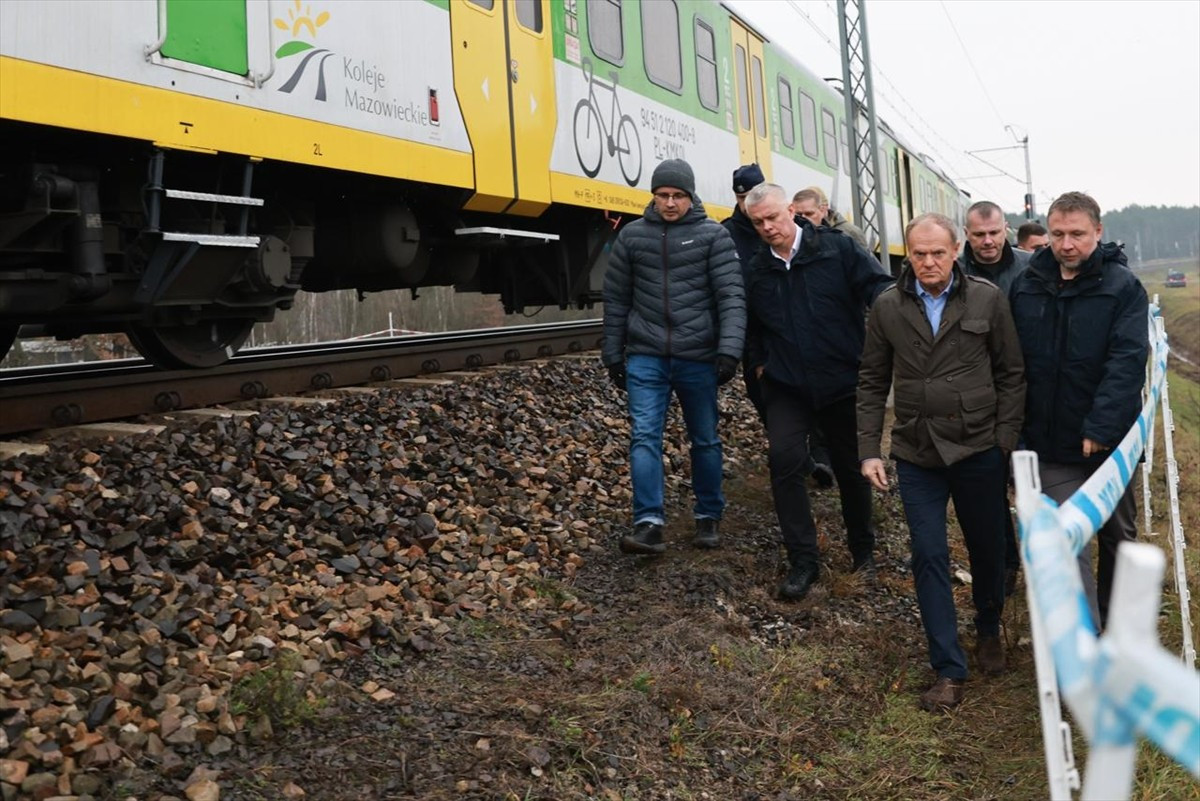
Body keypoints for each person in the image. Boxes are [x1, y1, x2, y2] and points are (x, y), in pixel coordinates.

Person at [858, 213, 1025, 712]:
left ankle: (989, 625)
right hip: (918, 451)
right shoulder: (887, 306)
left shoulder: (987, 299)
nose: (928, 263)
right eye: (918, 254)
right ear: (906, 254)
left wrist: (1003, 441)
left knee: (987, 546)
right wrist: (869, 448)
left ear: (957, 250)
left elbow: (1012, 373)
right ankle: (948, 669)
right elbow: (870, 381)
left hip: (977, 448)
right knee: (928, 553)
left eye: (937, 252)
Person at [742, 183, 892, 599]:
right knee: (784, 461)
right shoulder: (756, 268)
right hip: (787, 384)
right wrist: (759, 366)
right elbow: (752, 326)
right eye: (758, 223)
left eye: (773, 217)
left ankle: (864, 553)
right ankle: (803, 560)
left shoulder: (838, 249)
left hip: (842, 380)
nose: (768, 227)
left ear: (792, 210)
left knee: (851, 468)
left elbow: (878, 287)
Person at [1008, 191, 1149, 630]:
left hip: (1111, 444)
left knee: (1117, 537)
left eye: (1077, 234)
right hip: (1049, 441)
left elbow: (1126, 362)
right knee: (1069, 542)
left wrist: (1102, 427)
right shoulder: (1026, 284)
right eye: (1058, 234)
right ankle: (1085, 648)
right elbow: (1012, 363)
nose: (1067, 244)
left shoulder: (1123, 287)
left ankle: (1116, 630)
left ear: (1098, 232)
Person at [602, 158, 746, 555]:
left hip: (697, 356)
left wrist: (729, 351)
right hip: (646, 355)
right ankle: (648, 522)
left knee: (705, 439)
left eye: (678, 195)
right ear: (653, 196)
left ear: (690, 196)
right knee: (644, 436)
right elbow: (616, 298)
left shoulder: (713, 237)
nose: (669, 203)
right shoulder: (632, 237)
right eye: (663, 195)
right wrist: (613, 352)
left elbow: (731, 296)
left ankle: (708, 517)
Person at [957, 200, 1031, 596]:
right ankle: (1007, 563)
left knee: (1031, 480)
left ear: (1006, 229)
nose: (987, 241)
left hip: (1028, 389)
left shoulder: (1030, 268)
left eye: (994, 232)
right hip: (979, 395)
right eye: (979, 235)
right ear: (966, 234)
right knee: (990, 484)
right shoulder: (956, 273)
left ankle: (1040, 558)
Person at [721, 163, 769, 426]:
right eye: (741, 197)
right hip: (751, 335)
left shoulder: (783, 227)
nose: (746, 203)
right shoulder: (726, 233)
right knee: (761, 396)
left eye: (751, 195)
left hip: (785, 329)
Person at [793, 186, 869, 250]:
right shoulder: (797, 233)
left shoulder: (849, 232)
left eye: (809, 213)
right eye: (799, 214)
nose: (803, 218)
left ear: (823, 208)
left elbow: (865, 263)